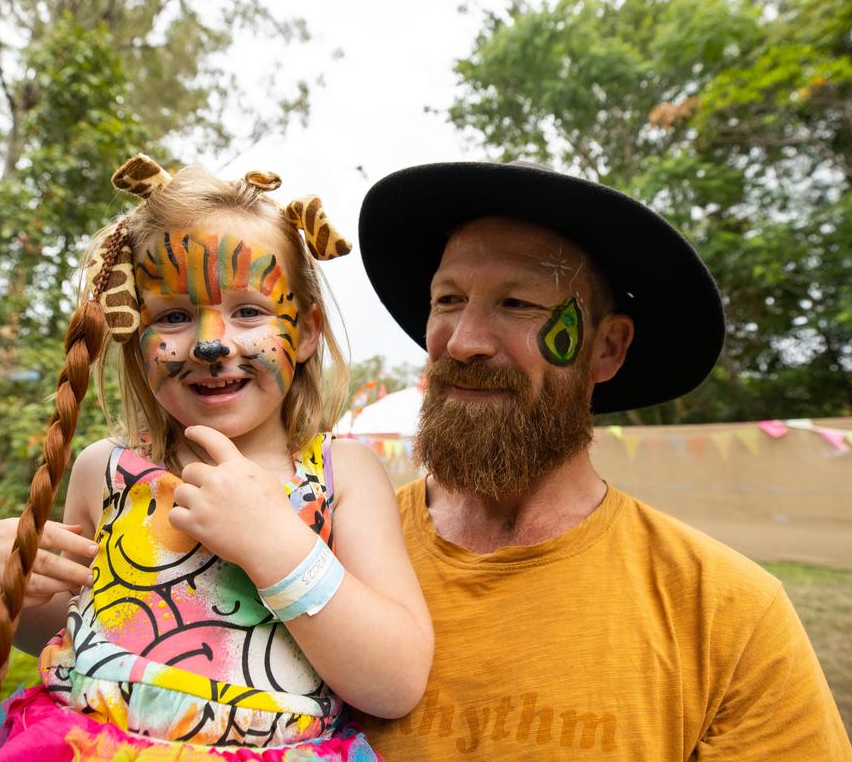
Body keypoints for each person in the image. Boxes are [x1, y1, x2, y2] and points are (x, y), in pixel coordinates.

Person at [354, 161, 852, 760]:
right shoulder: (327, 555)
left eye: (516, 303)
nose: (463, 341)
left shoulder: (727, 614)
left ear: (607, 348)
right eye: (448, 299)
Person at [0, 155, 433, 761]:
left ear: (306, 333)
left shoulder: (341, 474)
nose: (210, 343)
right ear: (133, 332)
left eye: (249, 310)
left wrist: (278, 546)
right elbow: (75, 632)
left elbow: (396, 680)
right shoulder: (107, 470)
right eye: (173, 316)